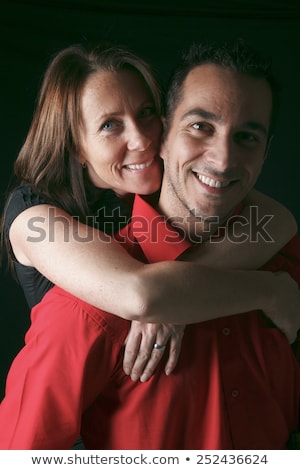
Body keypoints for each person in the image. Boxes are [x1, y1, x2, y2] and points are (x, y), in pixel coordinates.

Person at [0, 39, 300, 450]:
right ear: (76, 146)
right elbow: (138, 293)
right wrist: (268, 292)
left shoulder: (261, 237)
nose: (140, 139)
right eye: (109, 125)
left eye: (145, 116)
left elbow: (276, 217)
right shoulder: (35, 216)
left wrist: (186, 294)